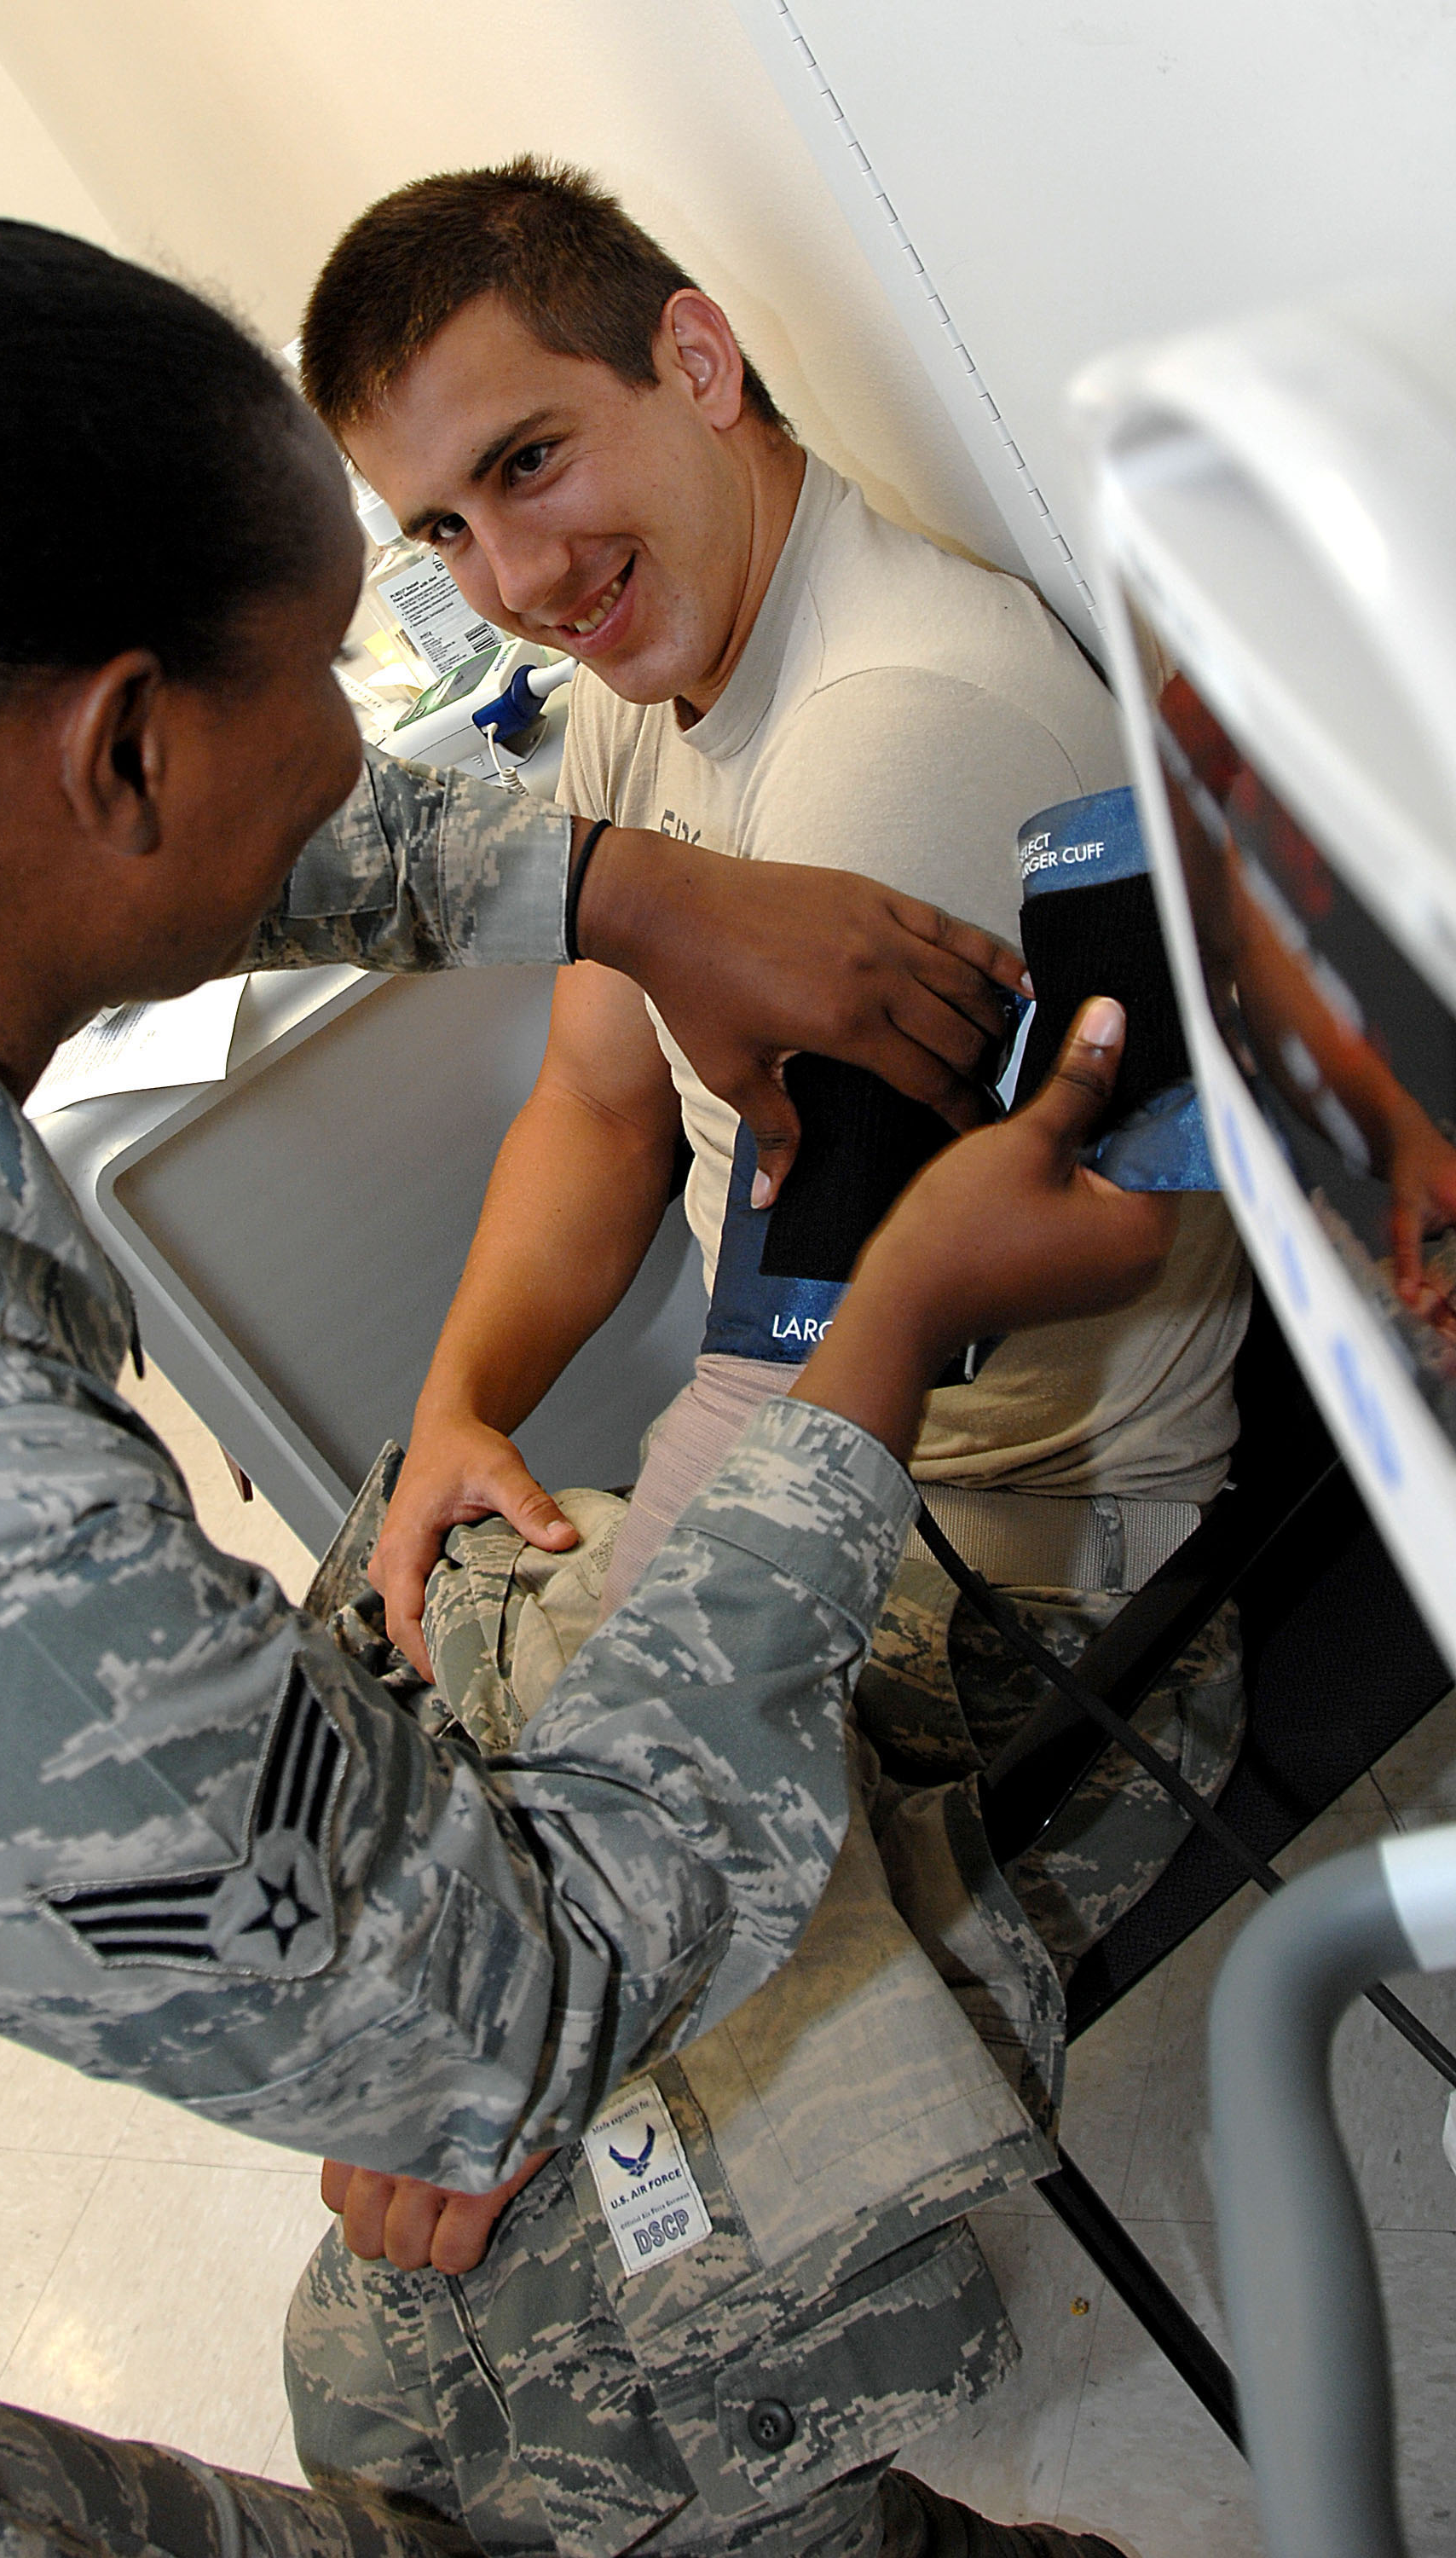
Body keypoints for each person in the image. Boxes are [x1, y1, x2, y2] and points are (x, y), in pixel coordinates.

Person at [0, 211, 1159, 2558]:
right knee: (426, 2377)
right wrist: (870, 1340)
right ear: (121, 746)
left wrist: (617, 893)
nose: (445, 654)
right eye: (359, 638)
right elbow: (509, 2002)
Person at [280, 161, 1251, 2550]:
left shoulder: (882, 744)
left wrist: (522, 1982)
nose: (512, 576)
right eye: (444, 527)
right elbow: (605, 1102)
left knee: (398, 2368)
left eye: (536, 463)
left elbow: (801, 1407)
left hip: (1026, 1612)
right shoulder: (662, 693)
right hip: (834, 1485)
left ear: (698, 366)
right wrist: (458, 1414)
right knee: (349, 1645)